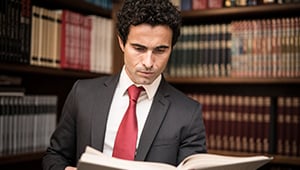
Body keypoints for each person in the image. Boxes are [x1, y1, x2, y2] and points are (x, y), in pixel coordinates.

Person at [42, 0, 207, 169]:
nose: (149, 63)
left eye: (160, 50)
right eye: (139, 48)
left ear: (172, 48)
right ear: (122, 42)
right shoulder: (82, 93)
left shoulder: (188, 113)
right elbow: (55, 156)